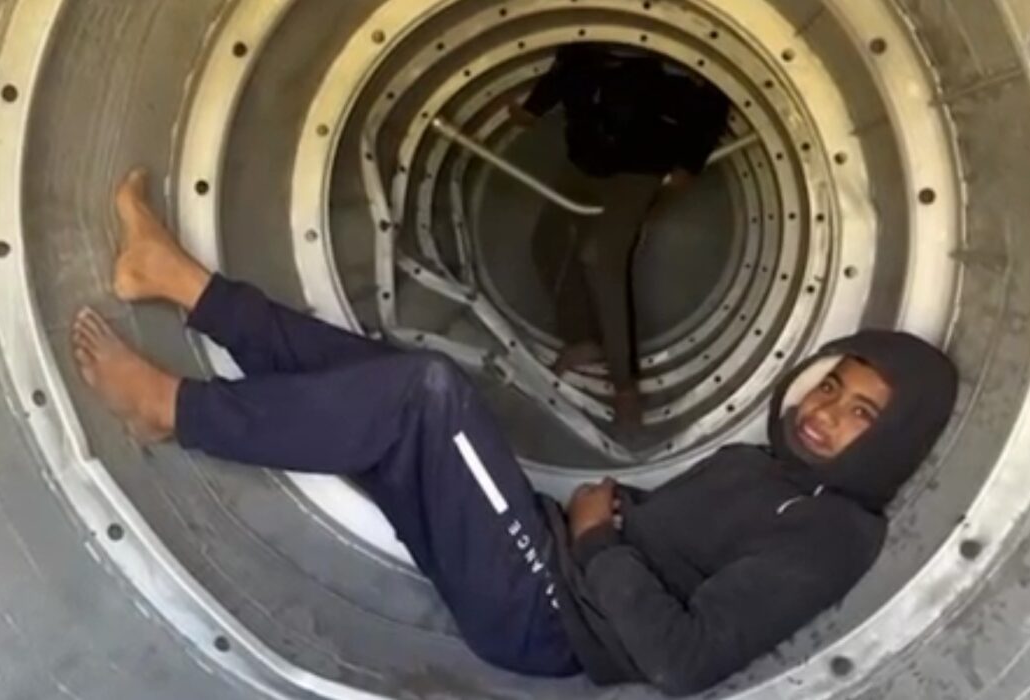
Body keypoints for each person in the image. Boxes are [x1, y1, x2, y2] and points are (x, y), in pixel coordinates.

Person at [73, 169, 958, 695]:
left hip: (546, 617)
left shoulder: (833, 534)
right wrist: (608, 522)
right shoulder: (776, 471)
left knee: (427, 394)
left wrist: (599, 540)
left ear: (893, 440)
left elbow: (685, 663)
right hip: (550, 558)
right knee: (377, 378)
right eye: (832, 385)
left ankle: (173, 411)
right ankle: (179, 281)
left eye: (861, 413)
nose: (824, 411)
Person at [509, 44, 732, 438]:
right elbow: (564, 71)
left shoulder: (664, 61)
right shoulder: (582, 50)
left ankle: (625, 387)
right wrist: (531, 109)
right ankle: (583, 338)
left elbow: (712, 94)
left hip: (639, 166)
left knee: (600, 257)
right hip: (585, 161)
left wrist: (690, 161)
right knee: (546, 241)